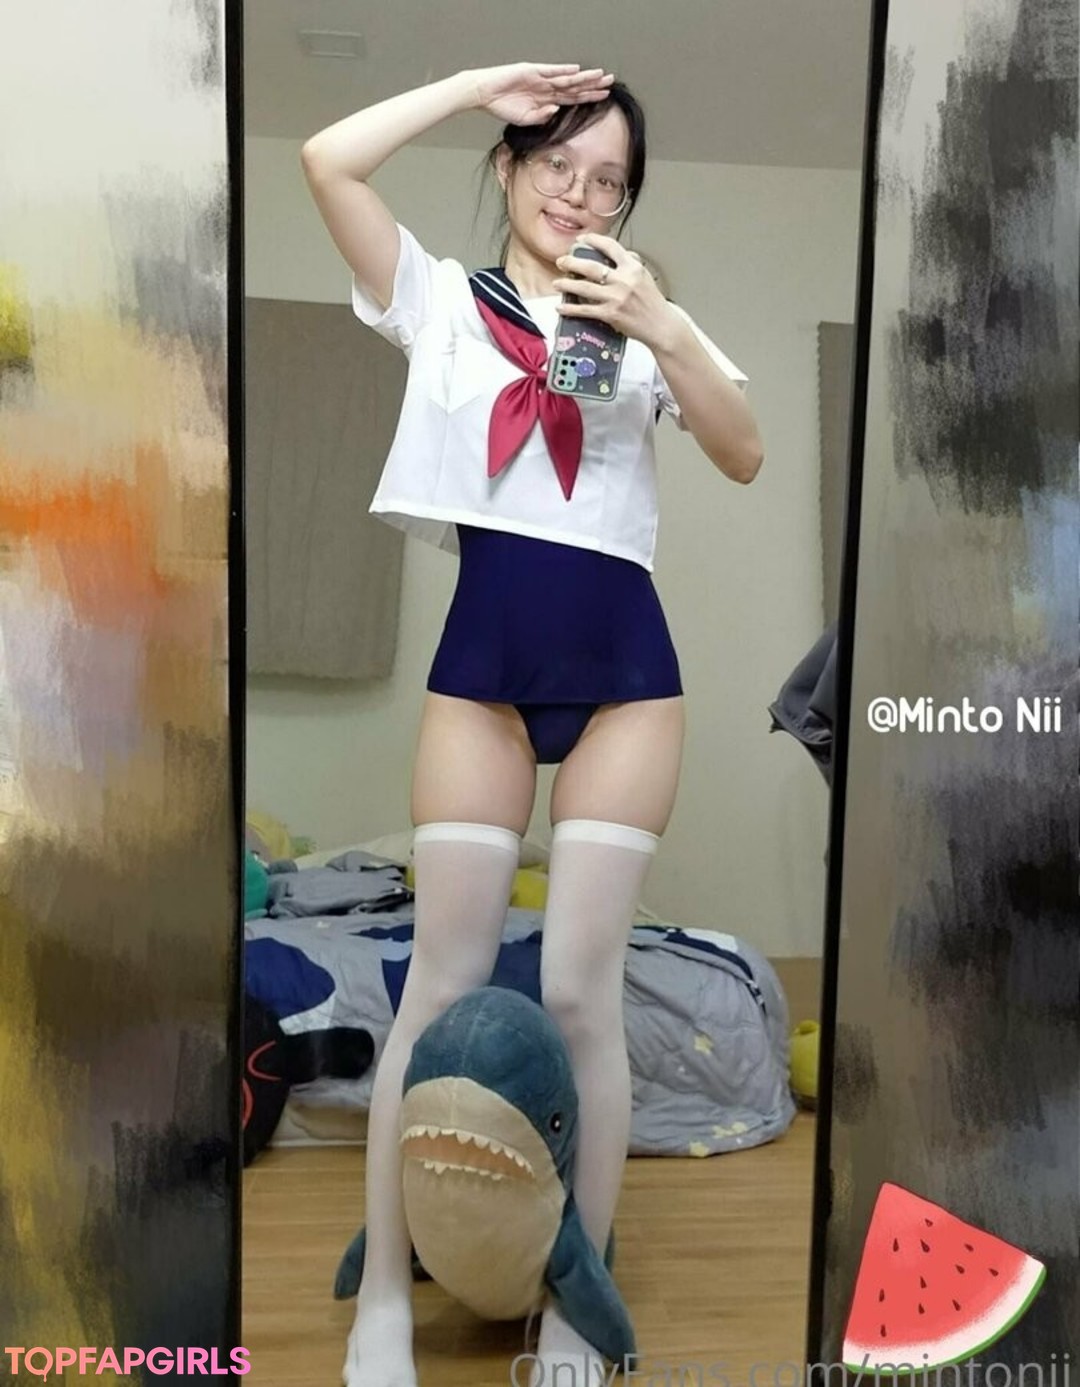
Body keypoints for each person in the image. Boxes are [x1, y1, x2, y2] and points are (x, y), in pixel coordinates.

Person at [301, 61, 764, 1387]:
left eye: (609, 180)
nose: (580, 194)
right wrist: (473, 87)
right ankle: (382, 1302)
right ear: (510, 166)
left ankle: (576, 1308)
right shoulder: (440, 303)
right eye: (558, 163)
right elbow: (328, 160)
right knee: (438, 985)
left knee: (577, 993)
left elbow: (744, 450)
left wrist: (663, 325)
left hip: (628, 676)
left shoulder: (640, 317)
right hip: (485, 670)